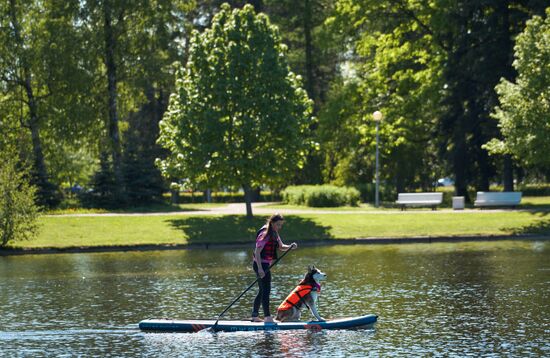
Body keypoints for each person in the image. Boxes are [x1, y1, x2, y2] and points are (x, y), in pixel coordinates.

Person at [251, 213, 297, 323]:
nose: (279, 227)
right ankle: (267, 317)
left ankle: (254, 315)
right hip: (260, 265)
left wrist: (290, 246)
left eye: (281, 225)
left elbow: (281, 247)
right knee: (266, 290)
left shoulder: (274, 233)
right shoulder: (265, 234)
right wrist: (260, 269)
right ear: (272, 223)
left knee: (262, 290)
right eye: (278, 224)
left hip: (265, 265)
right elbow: (257, 252)